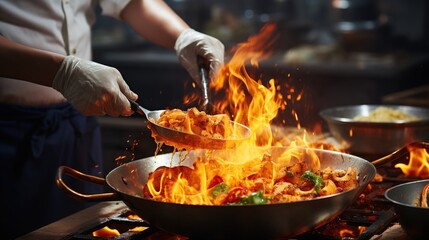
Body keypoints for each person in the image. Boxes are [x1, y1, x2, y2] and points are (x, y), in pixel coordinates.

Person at [0, 0, 224, 238]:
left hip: (76, 122)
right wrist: (61, 71)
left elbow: (130, 3)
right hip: (8, 131)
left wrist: (183, 36)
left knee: (81, 228)